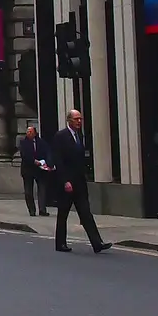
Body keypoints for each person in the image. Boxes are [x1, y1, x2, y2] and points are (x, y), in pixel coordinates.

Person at [52, 108, 110, 255]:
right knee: (63, 213)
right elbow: (58, 160)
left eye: (80, 119)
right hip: (67, 183)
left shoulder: (79, 135)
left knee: (86, 213)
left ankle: (97, 243)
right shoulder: (61, 136)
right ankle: (60, 243)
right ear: (69, 120)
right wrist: (65, 181)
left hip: (79, 183)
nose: (79, 122)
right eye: (76, 119)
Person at [18, 124, 51, 217]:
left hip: (40, 170)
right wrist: (34, 161)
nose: (28, 133)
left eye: (30, 132)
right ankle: (32, 210)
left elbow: (47, 152)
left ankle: (42, 209)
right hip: (28, 170)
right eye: (27, 131)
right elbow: (24, 155)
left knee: (42, 190)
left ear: (35, 133)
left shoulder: (41, 142)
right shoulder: (23, 143)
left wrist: (44, 162)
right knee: (28, 192)